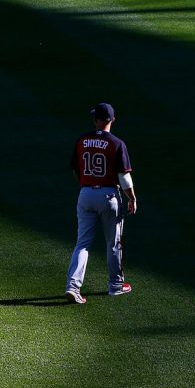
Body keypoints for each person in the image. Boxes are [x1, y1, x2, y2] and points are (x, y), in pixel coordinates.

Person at [64, 102, 137, 304]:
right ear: (112, 120)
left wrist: (87, 185)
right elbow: (124, 178)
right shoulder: (117, 143)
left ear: (96, 120)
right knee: (113, 243)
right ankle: (115, 285)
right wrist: (132, 198)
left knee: (83, 243)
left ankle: (73, 286)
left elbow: (75, 169)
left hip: (85, 194)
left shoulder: (82, 140)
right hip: (109, 196)